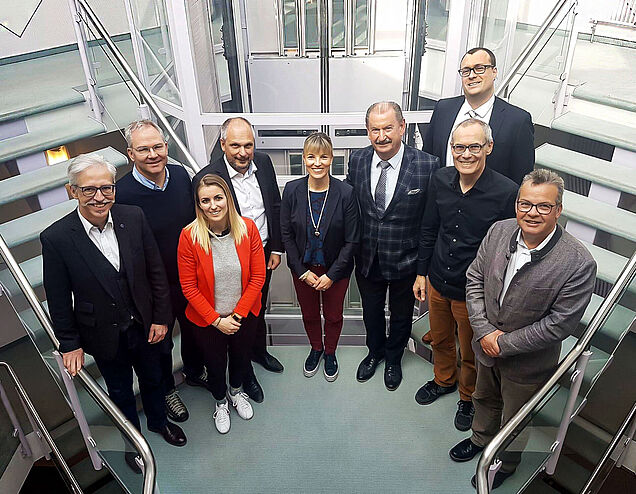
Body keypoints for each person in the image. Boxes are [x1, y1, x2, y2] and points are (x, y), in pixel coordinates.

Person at [448, 169, 597, 490]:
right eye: (525, 204)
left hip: (527, 363)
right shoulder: (499, 231)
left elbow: (561, 323)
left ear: (558, 210)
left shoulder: (578, 263)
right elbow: (474, 279)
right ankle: (480, 439)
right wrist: (484, 331)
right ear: (516, 204)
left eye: (543, 206)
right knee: (484, 397)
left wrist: (503, 344)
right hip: (485, 344)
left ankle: (505, 463)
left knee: (517, 418)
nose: (532, 213)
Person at [41, 155, 187, 467]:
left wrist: (161, 317)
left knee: (153, 379)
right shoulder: (56, 238)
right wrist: (69, 343)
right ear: (73, 191)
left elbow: (156, 272)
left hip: (146, 324)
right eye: (88, 190)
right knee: (120, 391)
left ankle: (159, 422)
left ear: (114, 189)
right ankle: (133, 441)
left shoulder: (133, 216)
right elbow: (57, 297)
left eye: (106, 188)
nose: (99, 197)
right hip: (104, 333)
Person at [412, 119, 517, 433]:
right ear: (451, 149)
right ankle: (443, 380)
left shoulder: (506, 191)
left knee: (472, 352)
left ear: (488, 147)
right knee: (441, 339)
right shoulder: (440, 180)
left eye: (474, 146)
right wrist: (421, 274)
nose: (466, 154)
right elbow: (429, 228)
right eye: (459, 147)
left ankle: (468, 398)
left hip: (474, 291)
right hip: (437, 279)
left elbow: (505, 253)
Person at [116, 119, 205, 425]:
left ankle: (194, 372)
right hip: (155, 287)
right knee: (161, 344)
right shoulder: (122, 194)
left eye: (157, 146)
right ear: (131, 154)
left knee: (195, 330)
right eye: (143, 149)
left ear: (166, 147)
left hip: (191, 278)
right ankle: (167, 391)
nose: (152, 154)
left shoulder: (181, 176)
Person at [346, 101, 439, 391]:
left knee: (401, 315)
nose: (382, 135)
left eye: (388, 128)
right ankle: (375, 353)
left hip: (406, 259)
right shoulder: (357, 160)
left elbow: (429, 224)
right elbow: (351, 206)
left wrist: (423, 269)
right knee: (371, 313)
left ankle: (394, 358)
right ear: (368, 131)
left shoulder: (427, 165)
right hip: (367, 257)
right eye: (375, 129)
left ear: (402, 127)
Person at [193, 117, 283, 403]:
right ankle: (245, 374)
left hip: (264, 255)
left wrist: (277, 248)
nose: (243, 152)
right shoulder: (208, 178)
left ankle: (259, 352)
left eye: (248, 145)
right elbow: (201, 222)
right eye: (235, 146)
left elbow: (275, 204)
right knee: (237, 317)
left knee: (257, 309)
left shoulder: (265, 163)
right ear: (222, 145)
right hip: (229, 263)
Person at [177, 174, 266, 434]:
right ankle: (220, 402)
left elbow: (258, 276)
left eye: (218, 198)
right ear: (198, 204)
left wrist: (236, 317)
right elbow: (189, 288)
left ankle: (237, 392)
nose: (213, 205)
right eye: (205, 200)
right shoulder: (189, 236)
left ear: (228, 198)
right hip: (207, 320)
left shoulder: (248, 229)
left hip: (243, 315)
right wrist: (217, 320)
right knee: (215, 366)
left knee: (240, 359)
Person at [280, 132, 359, 381]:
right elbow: (286, 234)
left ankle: (331, 352)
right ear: (303, 158)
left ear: (331, 159)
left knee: (334, 316)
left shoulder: (345, 193)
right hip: (303, 270)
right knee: (310, 315)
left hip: (336, 270)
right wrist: (302, 271)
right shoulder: (292, 190)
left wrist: (332, 275)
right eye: (311, 157)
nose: (317, 163)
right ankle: (316, 348)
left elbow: (352, 239)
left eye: (323, 157)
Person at [423, 47, 534, 185]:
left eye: (479, 68)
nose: (471, 75)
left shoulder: (517, 121)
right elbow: (427, 160)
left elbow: (522, 178)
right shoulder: (443, 109)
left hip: (492, 204)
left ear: (494, 72)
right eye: (466, 71)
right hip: (441, 200)